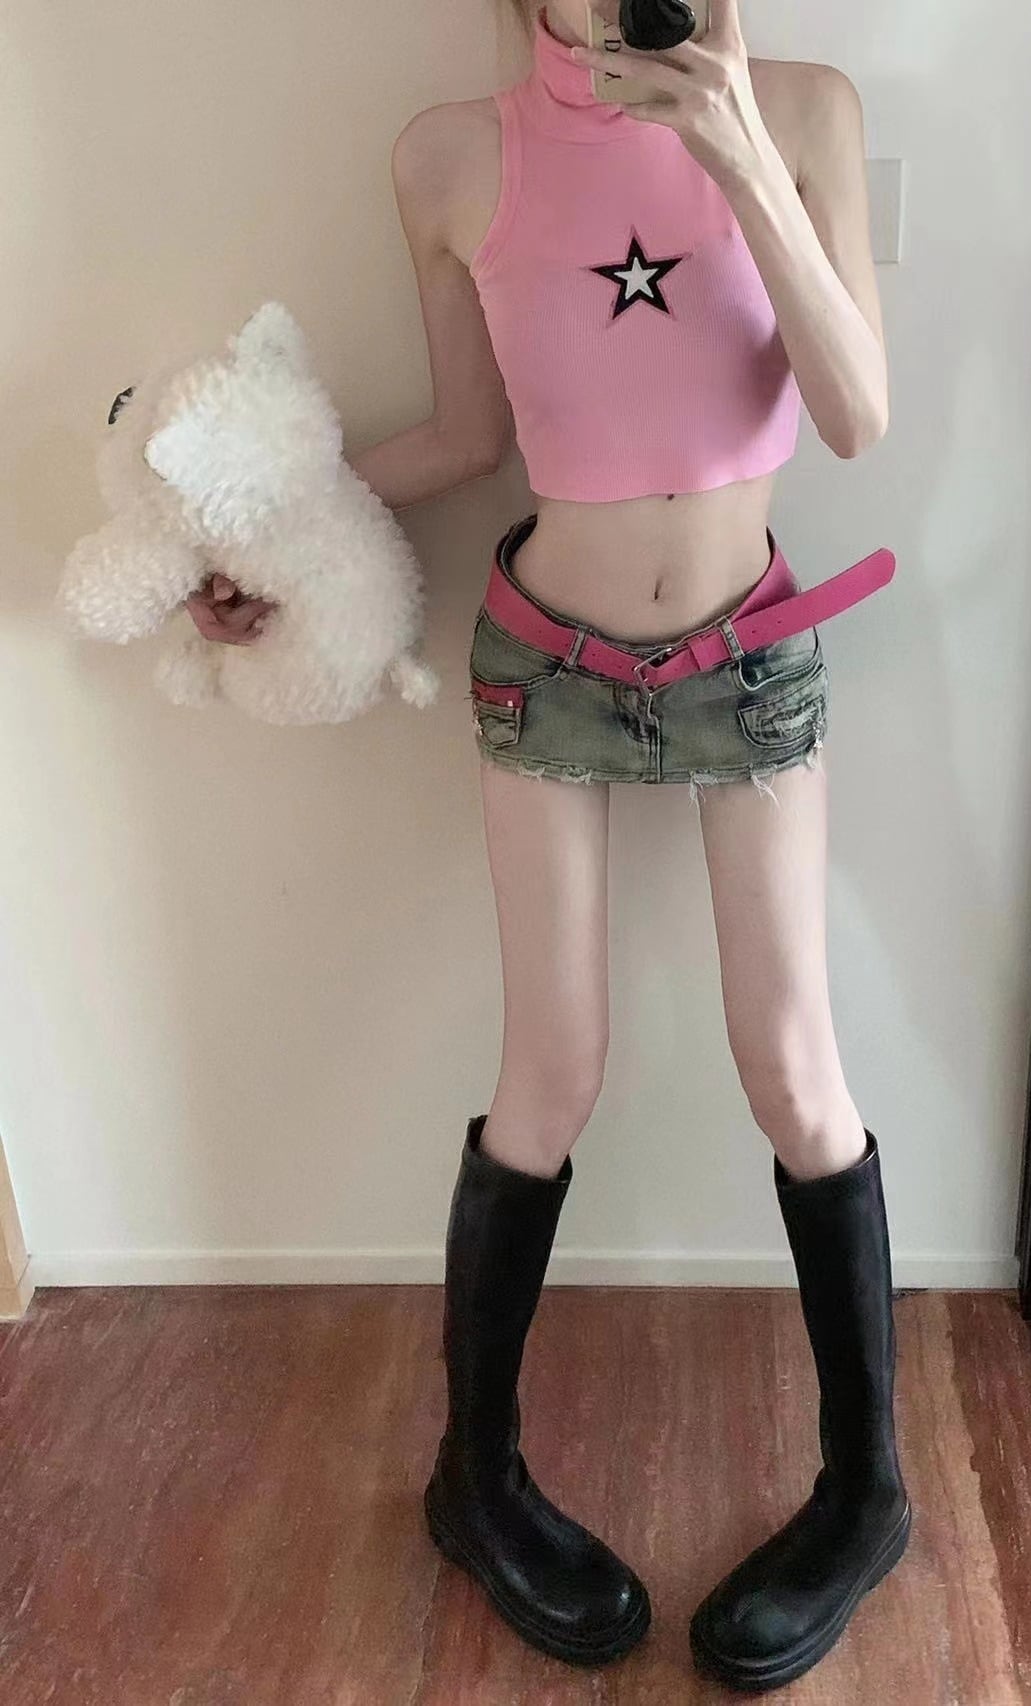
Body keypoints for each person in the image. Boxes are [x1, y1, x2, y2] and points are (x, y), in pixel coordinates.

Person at [188, 0, 909, 1689]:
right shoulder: (451, 158)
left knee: (796, 1071)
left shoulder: (804, 111)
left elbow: (858, 413)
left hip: (748, 657)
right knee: (551, 1072)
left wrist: (733, 147)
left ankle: (867, 1488)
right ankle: (474, 1476)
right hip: (547, 664)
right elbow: (466, 435)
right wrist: (272, 537)